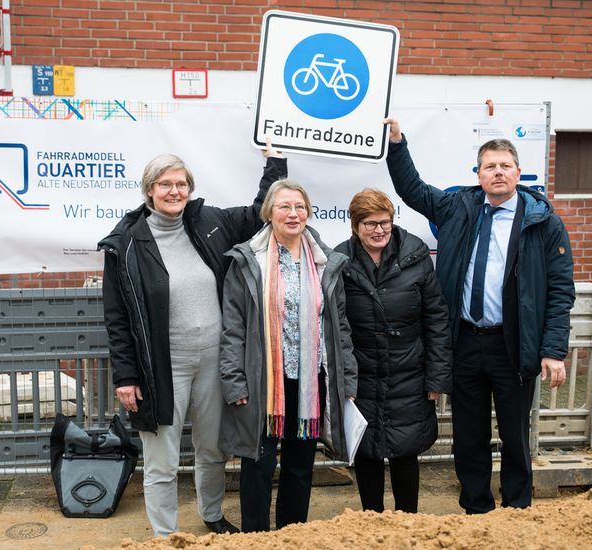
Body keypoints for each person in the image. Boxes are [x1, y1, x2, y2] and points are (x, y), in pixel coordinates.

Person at [383, 117, 575, 514]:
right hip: (465, 342)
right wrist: (398, 144)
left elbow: (559, 292)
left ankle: (517, 508)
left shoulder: (544, 223)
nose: (498, 172)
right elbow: (412, 190)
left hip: (513, 345)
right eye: (490, 166)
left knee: (515, 435)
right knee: (469, 437)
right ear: (479, 173)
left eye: (505, 165)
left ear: (519, 173)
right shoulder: (459, 208)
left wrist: (553, 350)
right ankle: (476, 509)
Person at [98, 145, 287, 537]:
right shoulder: (127, 242)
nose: (174, 191)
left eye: (181, 183)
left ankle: (212, 514)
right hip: (160, 367)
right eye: (165, 184)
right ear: (148, 190)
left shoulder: (208, 223)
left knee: (212, 450)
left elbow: (258, 214)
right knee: (162, 460)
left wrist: (276, 164)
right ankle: (165, 535)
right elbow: (117, 318)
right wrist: (125, 376)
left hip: (215, 359)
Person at [218, 179, 358, 532]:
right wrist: (234, 382)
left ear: (308, 212)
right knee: (258, 464)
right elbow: (233, 327)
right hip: (262, 380)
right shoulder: (248, 261)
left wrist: (348, 378)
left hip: (311, 380)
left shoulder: (325, 261)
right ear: (269, 213)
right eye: (284, 206)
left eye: (299, 206)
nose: (293, 213)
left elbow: (339, 326)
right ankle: (255, 537)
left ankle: (293, 535)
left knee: (300, 467)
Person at [334, 188, 452, 514]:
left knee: (405, 451)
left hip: (409, 374)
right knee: (367, 451)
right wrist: (344, 380)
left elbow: (437, 320)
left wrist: (436, 379)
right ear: (355, 226)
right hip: (362, 376)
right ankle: (373, 524)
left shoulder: (416, 257)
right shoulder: (339, 263)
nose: (379, 230)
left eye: (384, 222)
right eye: (370, 223)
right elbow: (334, 325)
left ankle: (408, 524)